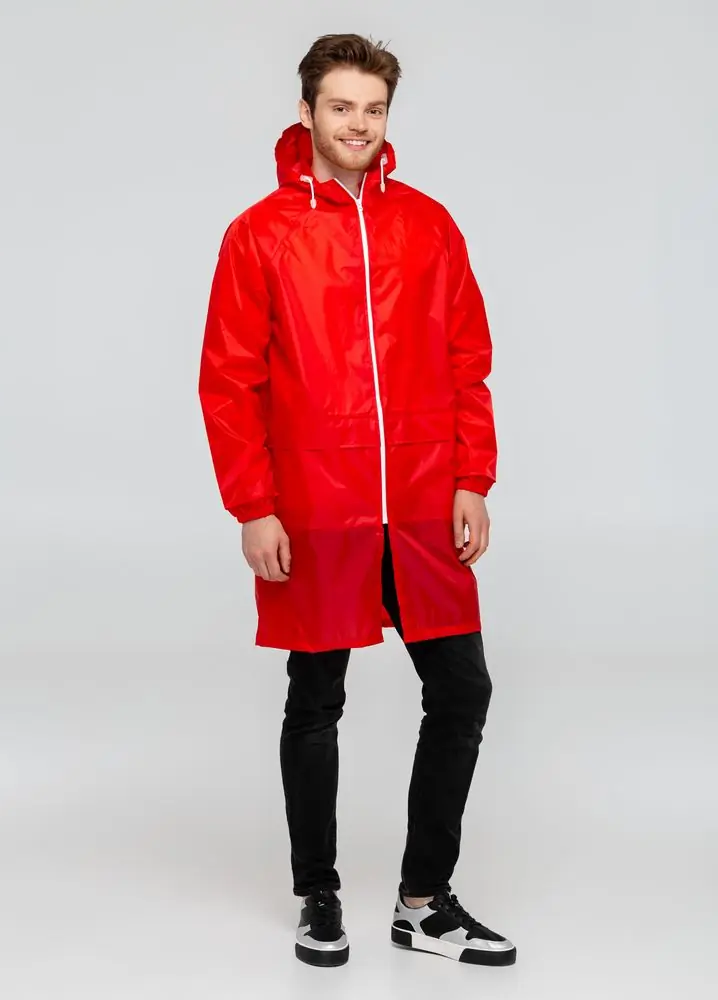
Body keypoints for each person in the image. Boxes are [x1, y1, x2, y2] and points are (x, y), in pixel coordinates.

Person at [198, 32, 516, 969]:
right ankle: (318, 894)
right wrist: (254, 505)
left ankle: (424, 902)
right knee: (316, 697)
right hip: (315, 502)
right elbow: (230, 382)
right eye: (341, 107)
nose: (359, 124)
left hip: (420, 500)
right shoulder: (260, 235)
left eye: (373, 109)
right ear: (307, 112)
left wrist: (471, 478)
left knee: (461, 689)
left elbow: (467, 360)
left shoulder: (429, 225)